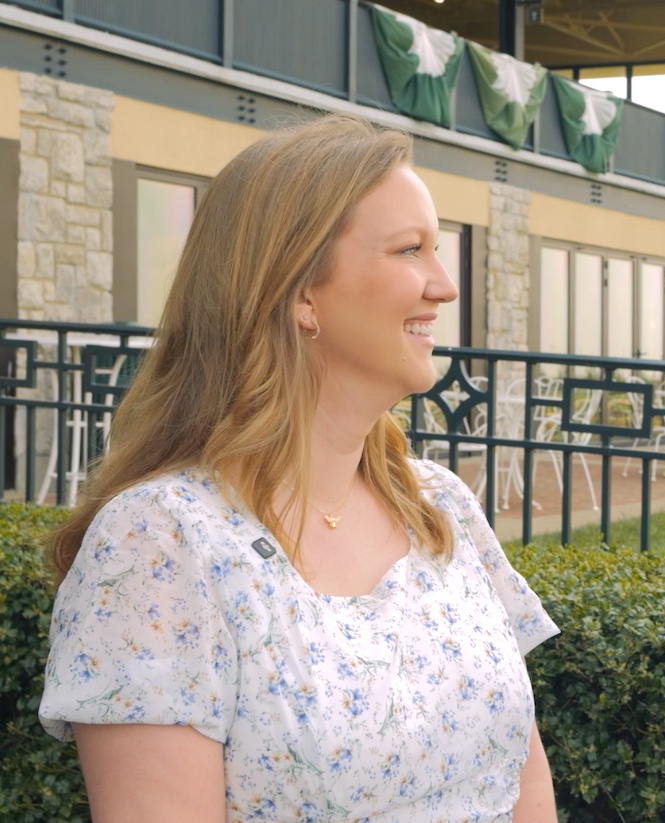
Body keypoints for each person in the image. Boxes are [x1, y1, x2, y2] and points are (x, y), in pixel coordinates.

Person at [40, 114, 560, 822]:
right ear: (299, 293)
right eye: (410, 250)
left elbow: (523, 779)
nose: (444, 285)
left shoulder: (440, 506)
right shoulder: (161, 545)